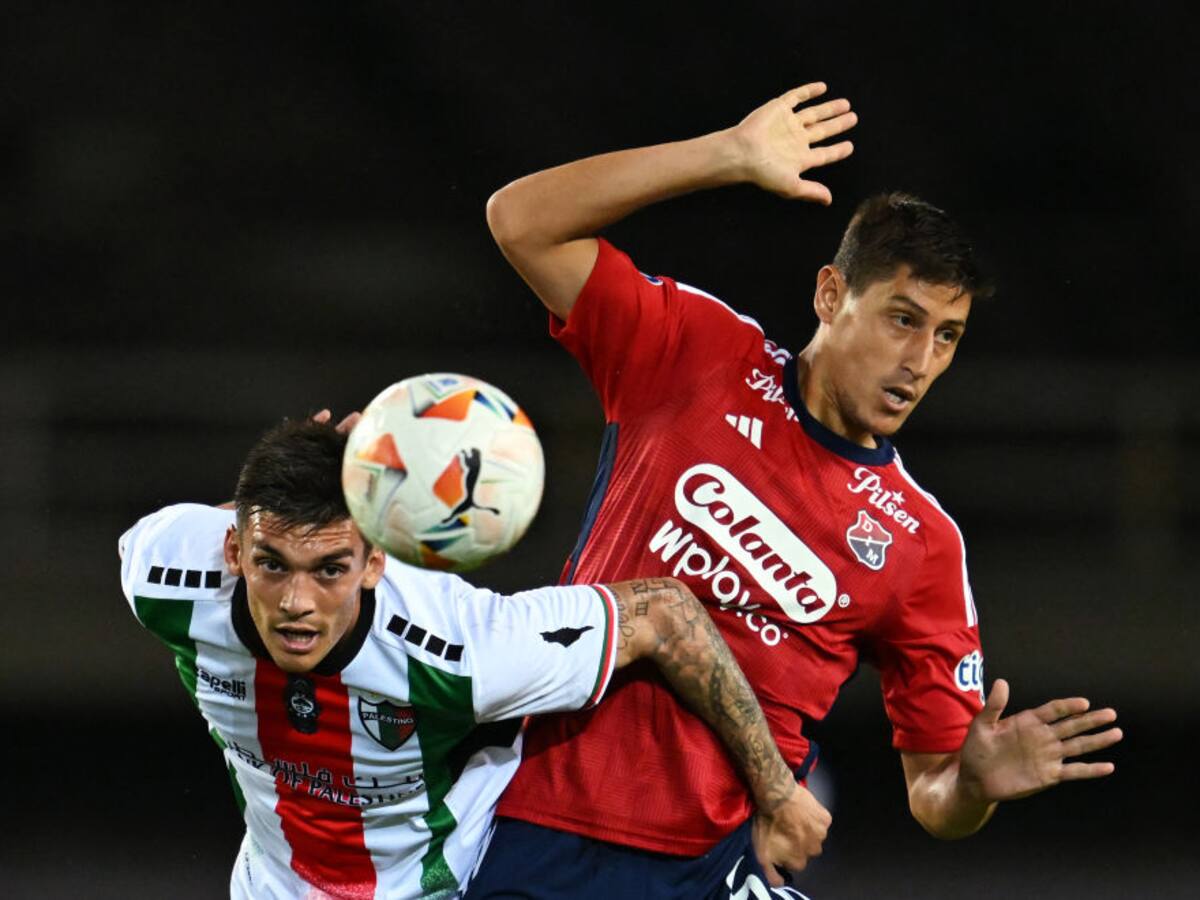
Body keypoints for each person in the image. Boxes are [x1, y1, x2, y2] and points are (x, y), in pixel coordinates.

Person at [470, 83, 1123, 897]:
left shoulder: (923, 543)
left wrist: (975, 787)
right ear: (828, 296)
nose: (920, 361)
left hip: (723, 860)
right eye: (901, 318)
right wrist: (727, 154)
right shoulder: (697, 354)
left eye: (946, 335)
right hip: (547, 822)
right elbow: (519, 220)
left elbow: (934, 797)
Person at [118, 415, 821, 900]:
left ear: (374, 562)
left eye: (329, 569)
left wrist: (778, 789)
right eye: (272, 564)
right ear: (234, 552)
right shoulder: (168, 573)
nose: (297, 602)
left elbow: (666, 612)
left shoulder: (462, 648)